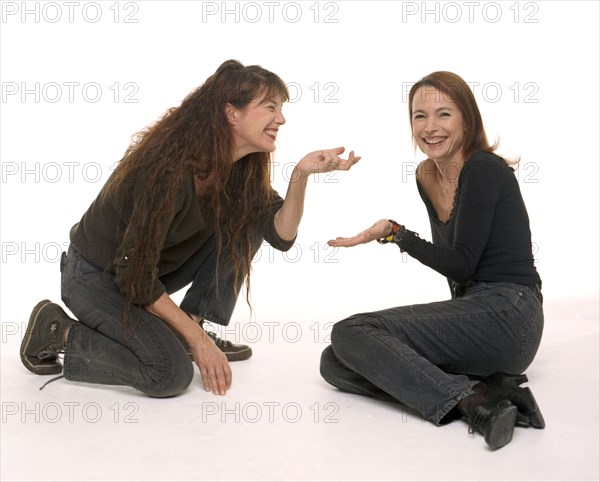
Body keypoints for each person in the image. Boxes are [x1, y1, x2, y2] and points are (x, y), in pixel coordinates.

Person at [20, 59, 359, 398]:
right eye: (270, 107)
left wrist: (300, 176)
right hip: (96, 276)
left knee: (246, 223)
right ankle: (58, 331)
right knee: (168, 373)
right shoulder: (165, 168)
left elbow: (280, 235)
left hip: (146, 277)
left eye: (281, 109)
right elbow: (135, 277)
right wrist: (199, 345)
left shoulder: (241, 170)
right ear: (232, 112)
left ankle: (191, 324)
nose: (281, 119)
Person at [320, 71, 544, 450]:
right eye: (419, 116)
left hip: (512, 314)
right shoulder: (427, 174)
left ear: (466, 119)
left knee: (351, 331)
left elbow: (461, 264)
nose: (430, 127)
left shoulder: (483, 169)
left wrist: (395, 234)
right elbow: (457, 271)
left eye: (444, 114)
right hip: (477, 313)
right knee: (335, 361)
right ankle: (492, 392)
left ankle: (476, 404)